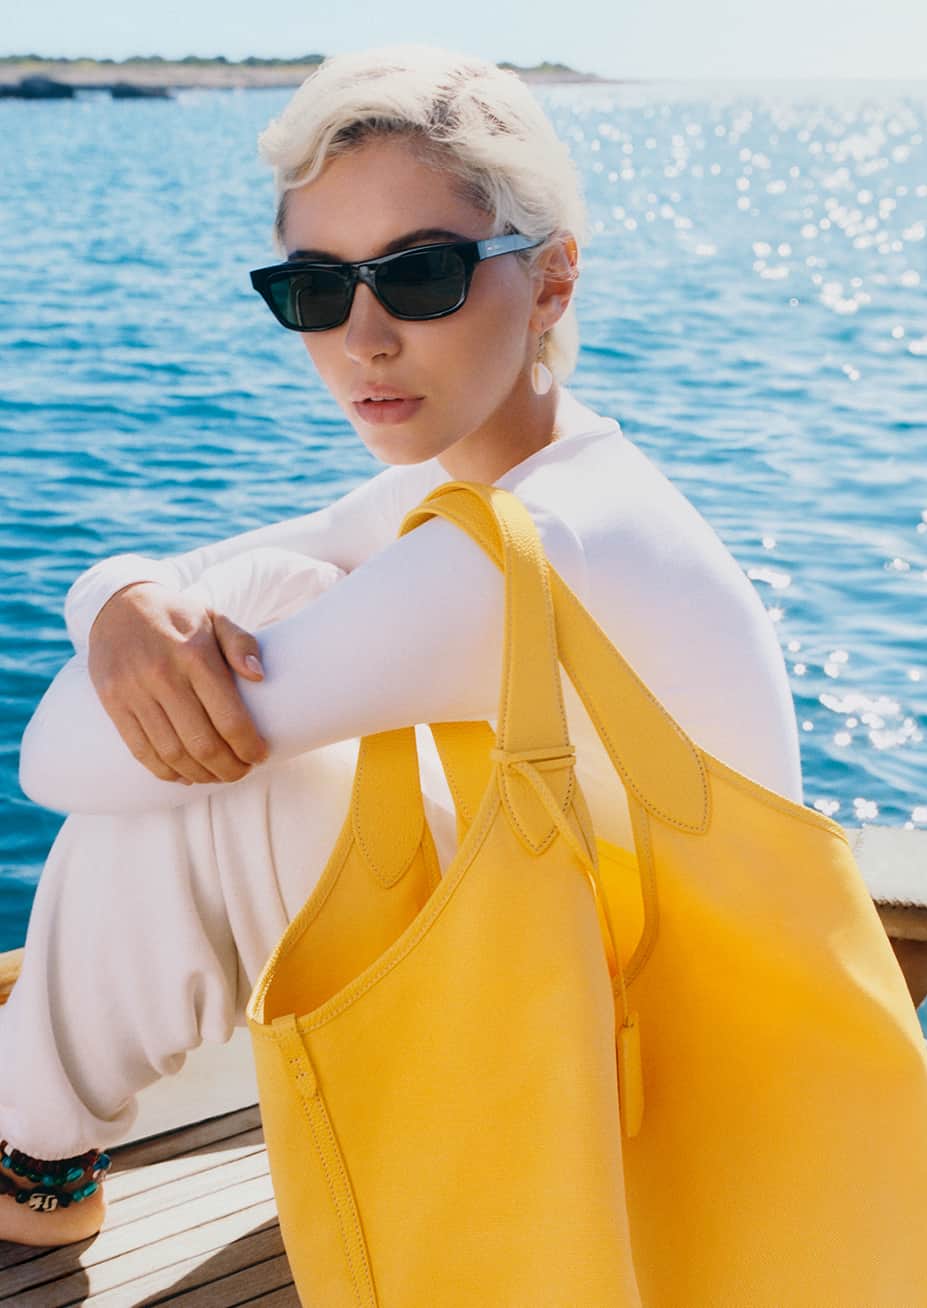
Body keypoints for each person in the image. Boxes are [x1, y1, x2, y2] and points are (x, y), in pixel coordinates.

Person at [0, 42, 803, 1248]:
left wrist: (145, 631)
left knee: (212, 730)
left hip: (634, 1158)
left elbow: (55, 763)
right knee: (240, 640)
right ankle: (35, 1155)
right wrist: (115, 593)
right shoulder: (543, 475)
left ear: (552, 281)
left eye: (419, 276)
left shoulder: (528, 548)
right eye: (315, 289)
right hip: (656, 1077)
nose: (362, 338)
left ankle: (34, 1170)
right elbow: (194, 583)